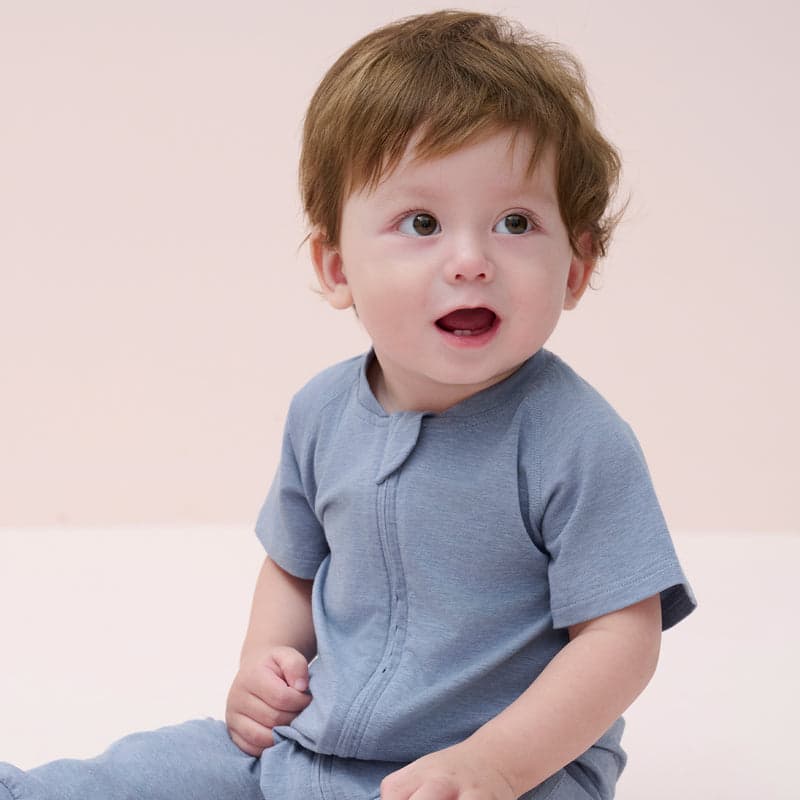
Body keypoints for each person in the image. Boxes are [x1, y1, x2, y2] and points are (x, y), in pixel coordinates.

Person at [0, 10, 696, 800]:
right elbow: (294, 567)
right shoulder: (323, 412)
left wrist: (494, 764)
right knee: (142, 773)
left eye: (515, 223)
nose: (471, 261)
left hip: (512, 771)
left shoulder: (575, 439)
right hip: (311, 746)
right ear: (336, 268)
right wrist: (264, 662)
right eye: (422, 223)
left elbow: (621, 636)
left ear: (575, 267)